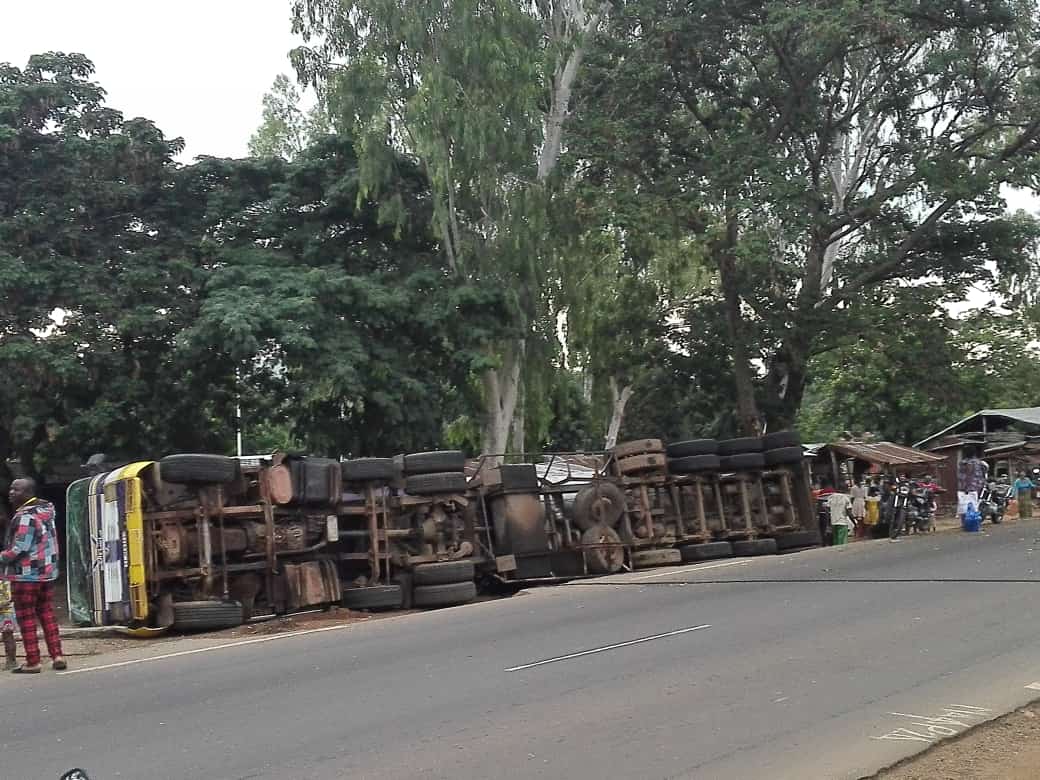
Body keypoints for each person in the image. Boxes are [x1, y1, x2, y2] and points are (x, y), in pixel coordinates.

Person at [0, 478, 66, 673]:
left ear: (27, 493)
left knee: (26, 617)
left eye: (16, 489)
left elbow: (19, 549)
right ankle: (57, 655)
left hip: (26, 575)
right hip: (47, 573)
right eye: (11, 488)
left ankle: (33, 661)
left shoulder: (25, 517)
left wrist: (2, 557)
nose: (11, 492)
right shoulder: (46, 512)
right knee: (47, 614)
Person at [957, 447, 989, 522]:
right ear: (974, 453)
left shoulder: (962, 463)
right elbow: (986, 470)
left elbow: (959, 475)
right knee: (974, 505)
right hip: (975, 487)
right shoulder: (979, 463)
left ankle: (964, 523)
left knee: (963, 506)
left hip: (962, 487)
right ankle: (974, 522)